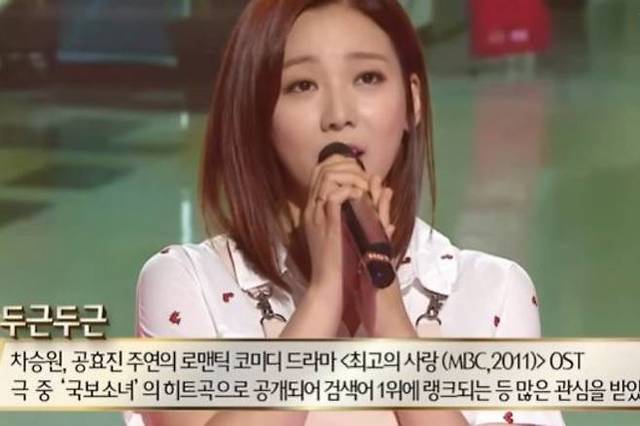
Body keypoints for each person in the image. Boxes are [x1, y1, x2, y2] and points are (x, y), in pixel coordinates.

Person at [128, 1, 566, 425]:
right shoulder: (188, 282)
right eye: (302, 85)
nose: (339, 116)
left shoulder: (494, 291)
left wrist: (391, 320)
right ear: (256, 113)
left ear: (412, 100)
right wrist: (322, 298)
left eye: (368, 78)